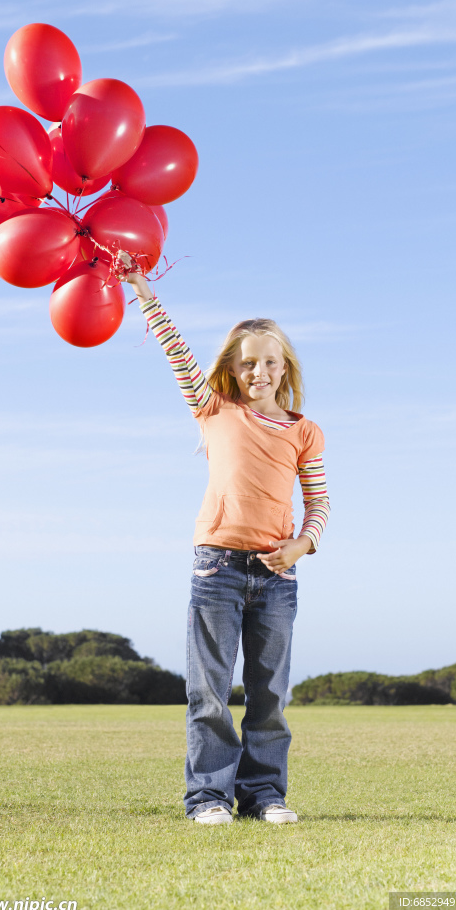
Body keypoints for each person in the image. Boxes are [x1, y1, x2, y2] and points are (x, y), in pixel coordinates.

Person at [120, 255, 330, 825]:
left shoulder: (305, 431)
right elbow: (176, 351)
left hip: (277, 577)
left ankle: (265, 795)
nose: (258, 371)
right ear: (233, 371)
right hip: (216, 567)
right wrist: (143, 290)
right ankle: (208, 798)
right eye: (247, 364)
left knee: (269, 695)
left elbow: (320, 504)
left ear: (284, 366)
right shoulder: (213, 409)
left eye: (268, 361)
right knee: (209, 691)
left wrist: (301, 546)